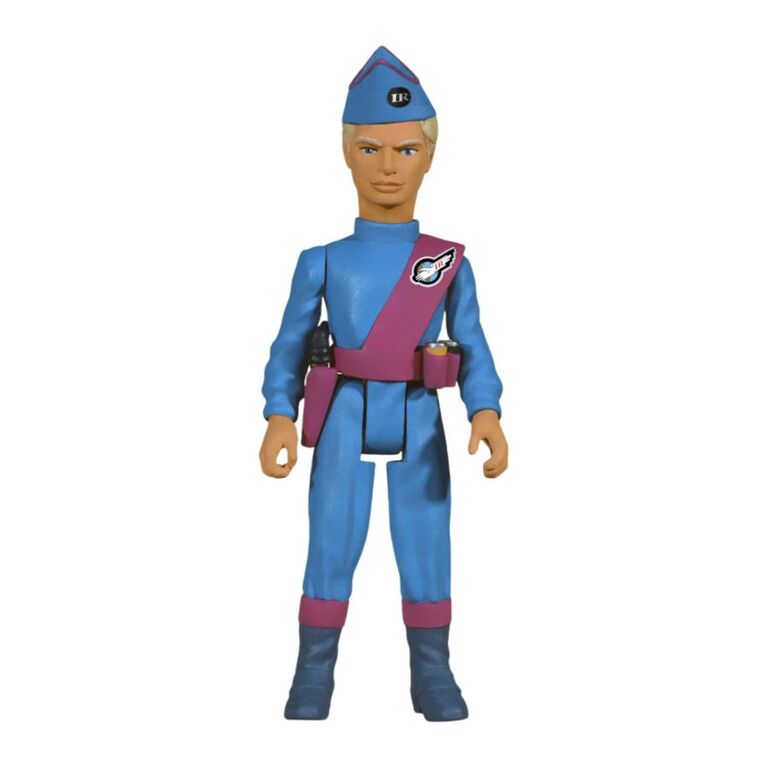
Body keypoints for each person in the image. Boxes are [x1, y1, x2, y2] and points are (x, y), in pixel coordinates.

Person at [260, 46, 508, 721]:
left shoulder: (448, 263)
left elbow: (473, 343)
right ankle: (314, 670)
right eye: (370, 149)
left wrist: (485, 410)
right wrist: (279, 413)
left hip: (419, 411)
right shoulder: (321, 261)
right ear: (347, 154)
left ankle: (433, 671)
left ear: (429, 156)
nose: (388, 167)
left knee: (426, 538)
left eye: (405, 150)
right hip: (343, 409)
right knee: (331, 535)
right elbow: (288, 346)